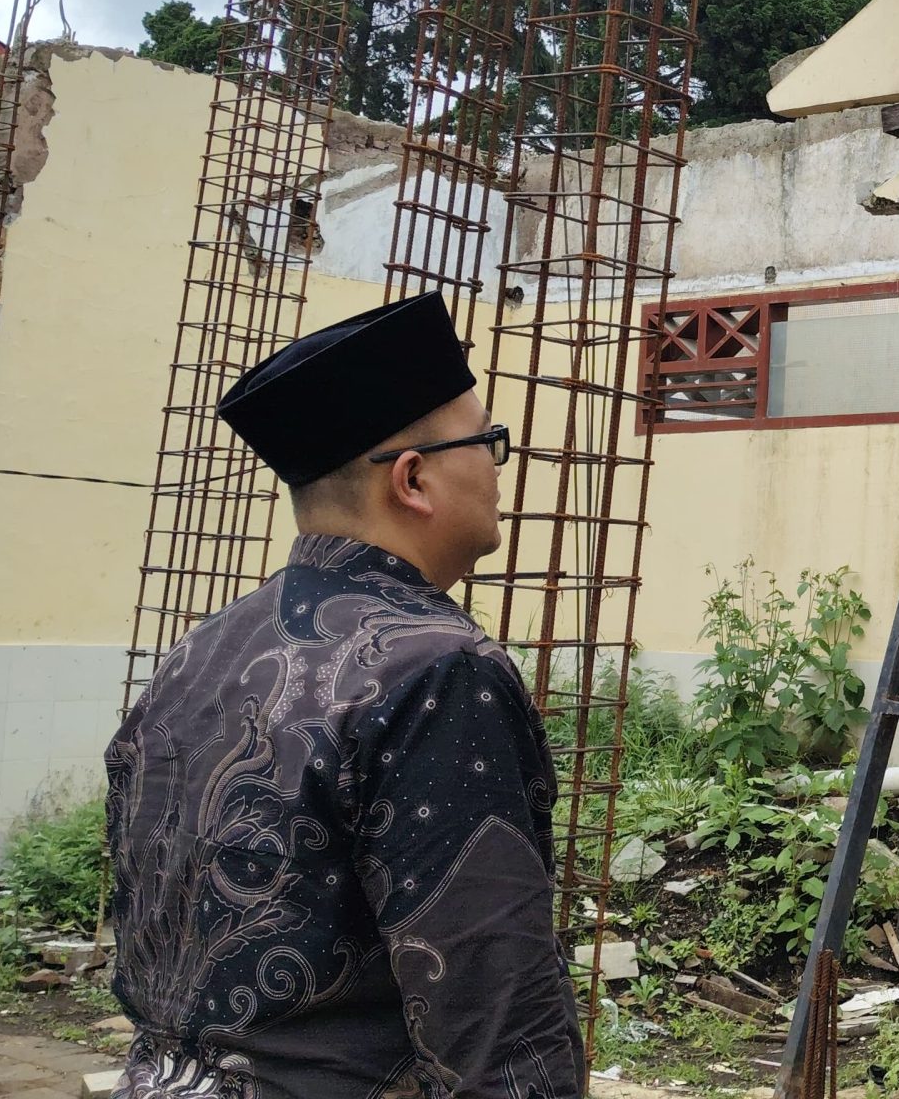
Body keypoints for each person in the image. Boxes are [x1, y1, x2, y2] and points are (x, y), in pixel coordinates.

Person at [105, 294, 584, 1099]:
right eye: (489, 442)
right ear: (415, 478)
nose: (498, 468)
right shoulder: (437, 671)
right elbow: (496, 1023)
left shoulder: (202, 649)